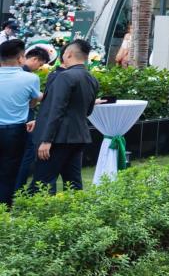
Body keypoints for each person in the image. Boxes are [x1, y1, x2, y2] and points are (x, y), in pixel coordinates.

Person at [31, 39, 97, 194]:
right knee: (73, 183)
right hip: (78, 137)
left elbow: (56, 110)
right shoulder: (91, 78)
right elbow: (88, 110)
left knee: (43, 183)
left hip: (57, 139)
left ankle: (43, 211)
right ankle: (75, 210)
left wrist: (47, 140)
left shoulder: (65, 76)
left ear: (69, 54)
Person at [0, 38, 41, 206]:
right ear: (20, 58)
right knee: (9, 173)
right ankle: (4, 210)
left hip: (14, 130)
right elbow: (33, 102)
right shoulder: (30, 78)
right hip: (15, 132)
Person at [13, 46, 50, 193]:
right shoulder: (30, 77)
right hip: (24, 117)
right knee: (27, 154)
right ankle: (18, 188)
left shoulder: (10, 71)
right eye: (40, 64)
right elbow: (33, 102)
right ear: (34, 59)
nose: (39, 68)